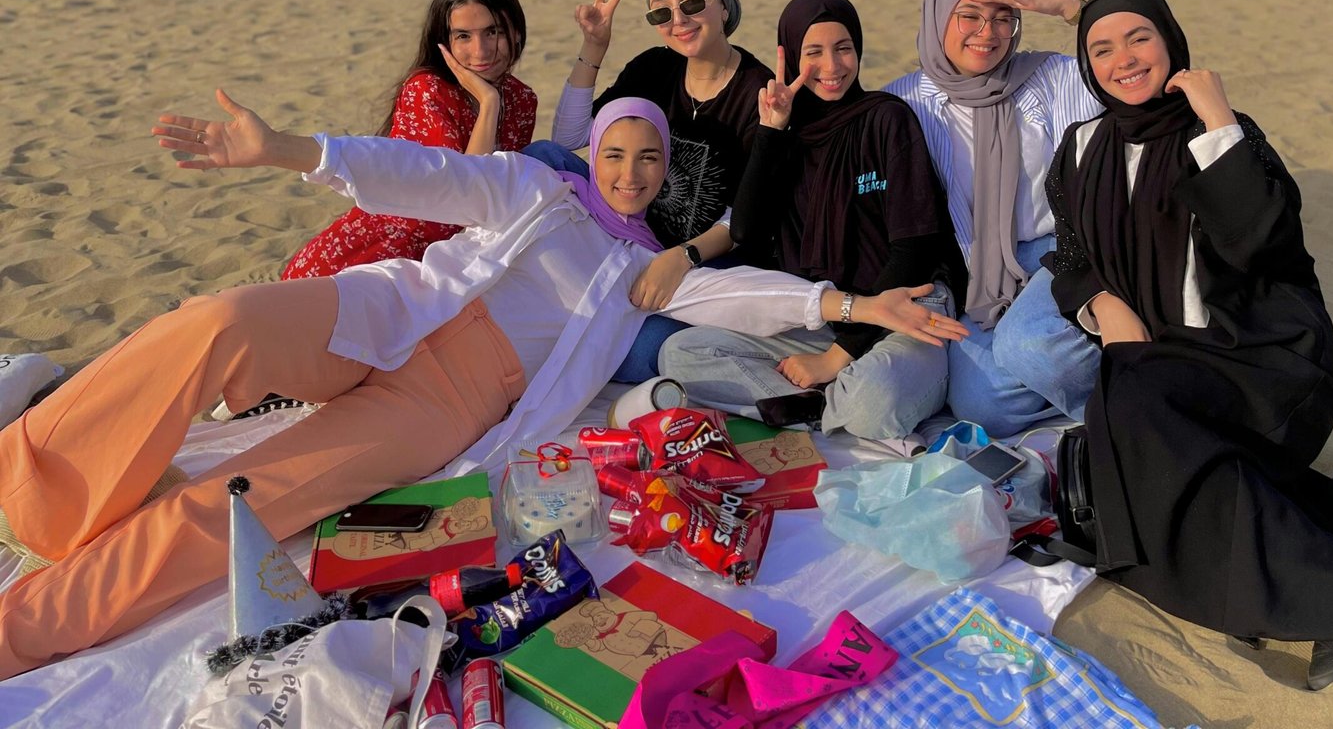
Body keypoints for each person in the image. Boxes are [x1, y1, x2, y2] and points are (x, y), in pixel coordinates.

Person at [0, 94, 958, 679]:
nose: (628, 172)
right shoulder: (531, 191)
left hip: (444, 404)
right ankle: (35, 481)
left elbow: (746, 294)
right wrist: (289, 150)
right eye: (615, 152)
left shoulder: (646, 274)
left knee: (244, 503)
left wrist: (860, 309)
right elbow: (422, 176)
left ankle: (24, 629)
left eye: (648, 159)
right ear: (592, 157)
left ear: (666, 173)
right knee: (213, 326)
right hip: (380, 317)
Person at [1045, 0, 1333, 692]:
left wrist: (1216, 122)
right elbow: (1069, 255)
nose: (1123, 59)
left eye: (1139, 38)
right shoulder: (1080, 147)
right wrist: (1102, 307)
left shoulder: (1222, 133)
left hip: (1263, 357)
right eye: (1102, 47)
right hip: (1158, 360)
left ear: (1172, 43)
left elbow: (1262, 245)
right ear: (1087, 67)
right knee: (1124, 447)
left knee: (1137, 423)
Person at [660, 0, 969, 440]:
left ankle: (817, 400)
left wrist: (833, 360)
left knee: (872, 402)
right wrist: (770, 132)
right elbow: (745, 230)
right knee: (681, 353)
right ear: (790, 56)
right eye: (814, 53)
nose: (832, 67)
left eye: (843, 48)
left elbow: (915, 249)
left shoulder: (886, 119)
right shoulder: (787, 132)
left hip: (905, 309)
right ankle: (820, 404)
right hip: (823, 314)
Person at [884, 0, 1102, 435]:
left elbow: (1120, 68)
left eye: (1003, 17)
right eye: (970, 16)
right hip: (981, 269)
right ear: (938, 17)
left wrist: (1075, 11)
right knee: (982, 406)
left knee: (1030, 347)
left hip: (1061, 249)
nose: (989, 33)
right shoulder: (906, 103)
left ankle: (1137, 403)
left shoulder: (1049, 77)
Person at [543, 0, 774, 380]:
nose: (678, 20)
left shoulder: (758, 93)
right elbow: (571, 138)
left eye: (692, 3)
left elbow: (746, 216)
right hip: (629, 235)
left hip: (701, 261)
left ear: (723, 4)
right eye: (660, 13)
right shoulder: (654, 68)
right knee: (542, 158)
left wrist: (681, 257)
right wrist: (594, 46)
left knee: (641, 355)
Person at [282, 0, 538, 279]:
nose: (480, 51)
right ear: (444, 43)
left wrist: (592, 49)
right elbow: (462, 196)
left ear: (516, 31)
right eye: (463, 36)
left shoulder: (521, 98)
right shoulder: (427, 90)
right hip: (393, 251)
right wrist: (488, 104)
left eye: (493, 31)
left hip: (468, 251)